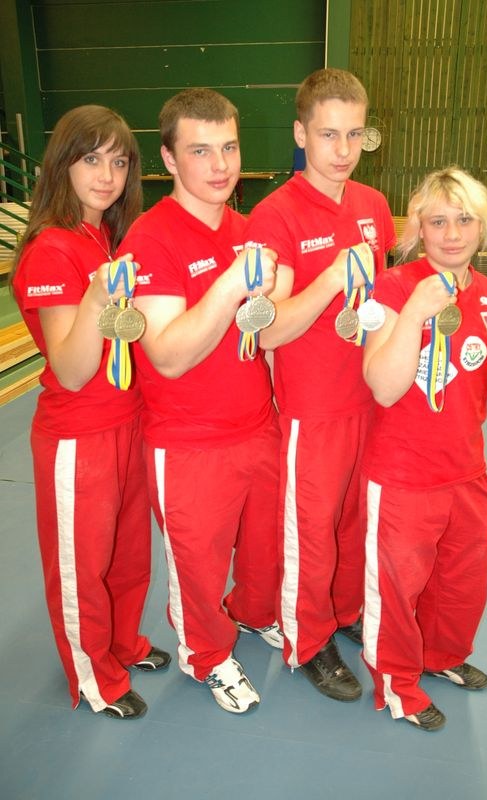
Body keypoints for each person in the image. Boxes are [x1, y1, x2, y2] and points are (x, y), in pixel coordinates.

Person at [118, 88, 281, 715]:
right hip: (188, 442)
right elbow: (167, 354)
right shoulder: (150, 237)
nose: (220, 165)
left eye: (230, 147)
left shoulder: (249, 230)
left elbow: (265, 332)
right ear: (168, 157)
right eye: (201, 150)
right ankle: (207, 654)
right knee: (199, 565)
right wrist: (228, 285)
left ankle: (254, 613)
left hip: (258, 427)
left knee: (264, 552)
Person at [11, 105, 171, 720]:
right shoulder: (53, 250)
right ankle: (93, 675)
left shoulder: (106, 236)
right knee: (82, 563)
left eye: (119, 160)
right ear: (63, 164)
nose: (106, 174)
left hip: (129, 422)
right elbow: (73, 368)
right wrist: (99, 295)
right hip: (79, 434)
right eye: (90, 158)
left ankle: (122, 644)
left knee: (129, 553)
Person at [244, 68, 396, 700]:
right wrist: (330, 279)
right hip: (312, 407)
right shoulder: (274, 216)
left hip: (372, 397)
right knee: (310, 525)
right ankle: (306, 637)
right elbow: (270, 330)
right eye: (329, 134)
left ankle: (345, 610)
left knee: (357, 520)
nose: (343, 150)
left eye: (355, 134)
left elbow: (379, 302)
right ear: (300, 133)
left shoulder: (373, 206)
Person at [361, 166, 487, 731]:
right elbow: (383, 384)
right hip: (402, 473)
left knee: (462, 579)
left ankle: (441, 657)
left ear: (482, 227)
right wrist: (417, 311)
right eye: (439, 220)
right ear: (418, 227)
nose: (452, 233)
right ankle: (396, 682)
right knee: (398, 588)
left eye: (464, 219)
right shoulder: (395, 288)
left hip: (467, 469)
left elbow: (474, 390)